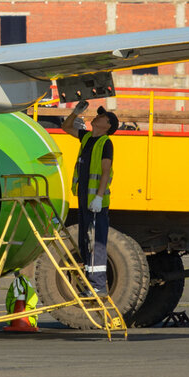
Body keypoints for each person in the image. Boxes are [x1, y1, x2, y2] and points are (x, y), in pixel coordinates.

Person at [61, 100, 117, 295]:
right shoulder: (86, 138)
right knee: (85, 240)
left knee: (96, 241)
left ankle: (98, 285)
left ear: (108, 125)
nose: (97, 116)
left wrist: (99, 197)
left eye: (102, 116)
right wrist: (75, 112)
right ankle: (90, 282)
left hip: (96, 202)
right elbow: (66, 127)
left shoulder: (105, 143)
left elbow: (105, 171)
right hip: (86, 199)